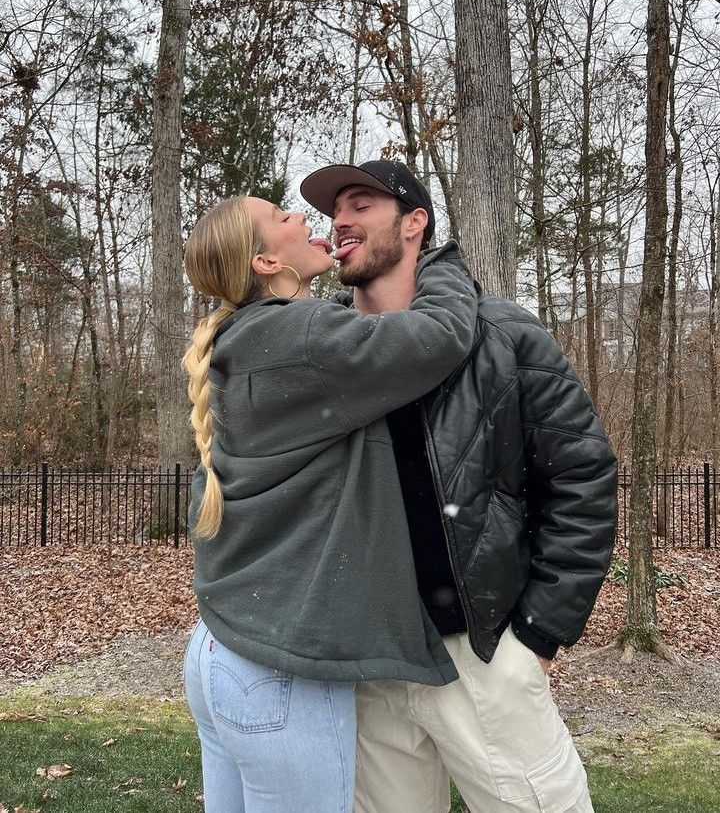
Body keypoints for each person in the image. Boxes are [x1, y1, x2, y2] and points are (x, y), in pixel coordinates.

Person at [300, 159, 618, 813]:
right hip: (369, 667)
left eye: (362, 203)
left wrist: (535, 635)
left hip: (478, 656)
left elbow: (583, 475)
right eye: (337, 209)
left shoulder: (502, 335)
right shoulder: (322, 351)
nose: (341, 219)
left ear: (414, 222)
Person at [180, 193, 479, 813]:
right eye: (283, 218)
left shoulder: (249, 339)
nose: (305, 220)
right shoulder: (300, 333)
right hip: (281, 672)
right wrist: (440, 266)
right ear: (265, 261)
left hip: (221, 653)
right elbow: (441, 335)